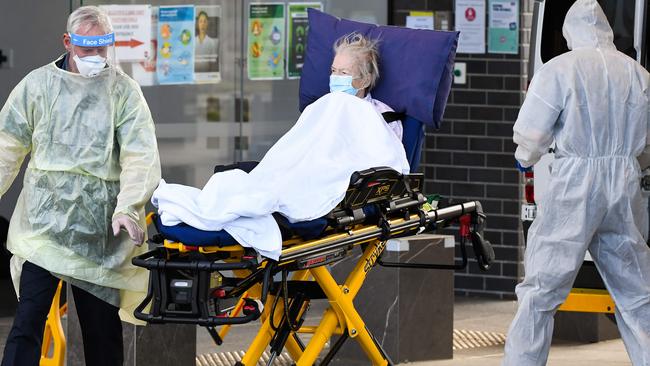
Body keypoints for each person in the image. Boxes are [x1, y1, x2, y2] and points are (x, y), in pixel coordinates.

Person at [0, 6, 161, 366]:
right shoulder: (38, 87)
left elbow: (141, 155)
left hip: (100, 233)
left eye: (102, 48)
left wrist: (128, 207)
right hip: (43, 230)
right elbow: (6, 145)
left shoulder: (123, 92)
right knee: (27, 322)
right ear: (68, 42)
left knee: (101, 333)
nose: (95, 57)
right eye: (87, 48)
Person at [503, 0, 650, 365]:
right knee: (637, 290)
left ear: (569, 30)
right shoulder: (637, 73)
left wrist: (525, 159)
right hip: (624, 183)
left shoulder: (559, 69)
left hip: (575, 186)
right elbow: (646, 142)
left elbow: (531, 133)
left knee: (541, 289)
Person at [329, 33, 403, 141]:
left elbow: (388, 156)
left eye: (344, 73)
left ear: (365, 81)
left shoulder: (383, 119)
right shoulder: (320, 109)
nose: (335, 77)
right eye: (333, 70)